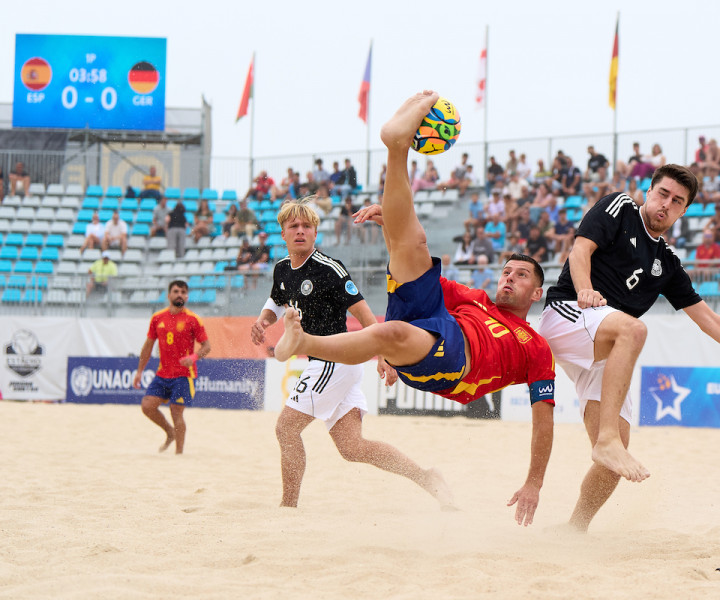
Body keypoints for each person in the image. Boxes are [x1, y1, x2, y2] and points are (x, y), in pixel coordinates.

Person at [274, 91, 557, 526]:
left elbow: (542, 420)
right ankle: (396, 148)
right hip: (442, 322)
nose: (508, 278)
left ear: (536, 293)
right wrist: (394, 225)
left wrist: (534, 481)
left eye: (521, 276)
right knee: (412, 244)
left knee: (390, 334)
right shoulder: (477, 299)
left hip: (456, 365)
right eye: (506, 271)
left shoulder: (536, 346)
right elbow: (411, 262)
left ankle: (303, 342)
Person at [538, 163, 720, 532]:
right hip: (569, 312)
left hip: (606, 344)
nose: (666, 204)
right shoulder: (619, 208)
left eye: (677, 201)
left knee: (614, 461)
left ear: (684, 211)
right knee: (635, 331)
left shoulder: (667, 263)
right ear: (649, 191)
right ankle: (607, 439)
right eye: (662, 194)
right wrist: (584, 289)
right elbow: (580, 251)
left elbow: (708, 319)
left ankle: (574, 529)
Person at [247, 200, 454, 509]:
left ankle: (287, 508)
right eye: (294, 227)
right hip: (327, 364)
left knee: (285, 428)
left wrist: (383, 354)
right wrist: (263, 320)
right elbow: (276, 300)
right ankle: (427, 477)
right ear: (283, 234)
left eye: (306, 226)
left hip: (336, 360)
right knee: (352, 448)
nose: (300, 231)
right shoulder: (281, 269)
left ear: (316, 232)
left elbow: (363, 311)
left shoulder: (329, 268)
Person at [134, 280, 211, 455]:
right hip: (163, 374)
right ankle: (169, 432)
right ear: (169, 295)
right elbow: (147, 346)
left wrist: (194, 356)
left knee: (176, 411)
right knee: (147, 406)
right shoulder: (157, 318)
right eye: (176, 291)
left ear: (187, 296)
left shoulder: (193, 319)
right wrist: (140, 371)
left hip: (184, 375)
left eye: (183, 292)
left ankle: (179, 454)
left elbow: (207, 346)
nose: (180, 294)